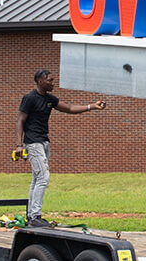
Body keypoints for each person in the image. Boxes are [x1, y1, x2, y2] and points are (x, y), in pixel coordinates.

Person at [14, 69, 106, 227]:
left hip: (44, 141)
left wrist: (92, 106)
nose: (53, 83)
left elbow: (69, 109)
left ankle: (32, 215)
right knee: (43, 178)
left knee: (37, 178)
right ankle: (35, 216)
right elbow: (20, 120)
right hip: (33, 142)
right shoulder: (29, 98)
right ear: (40, 81)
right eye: (50, 80)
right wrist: (18, 145)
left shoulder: (50, 99)